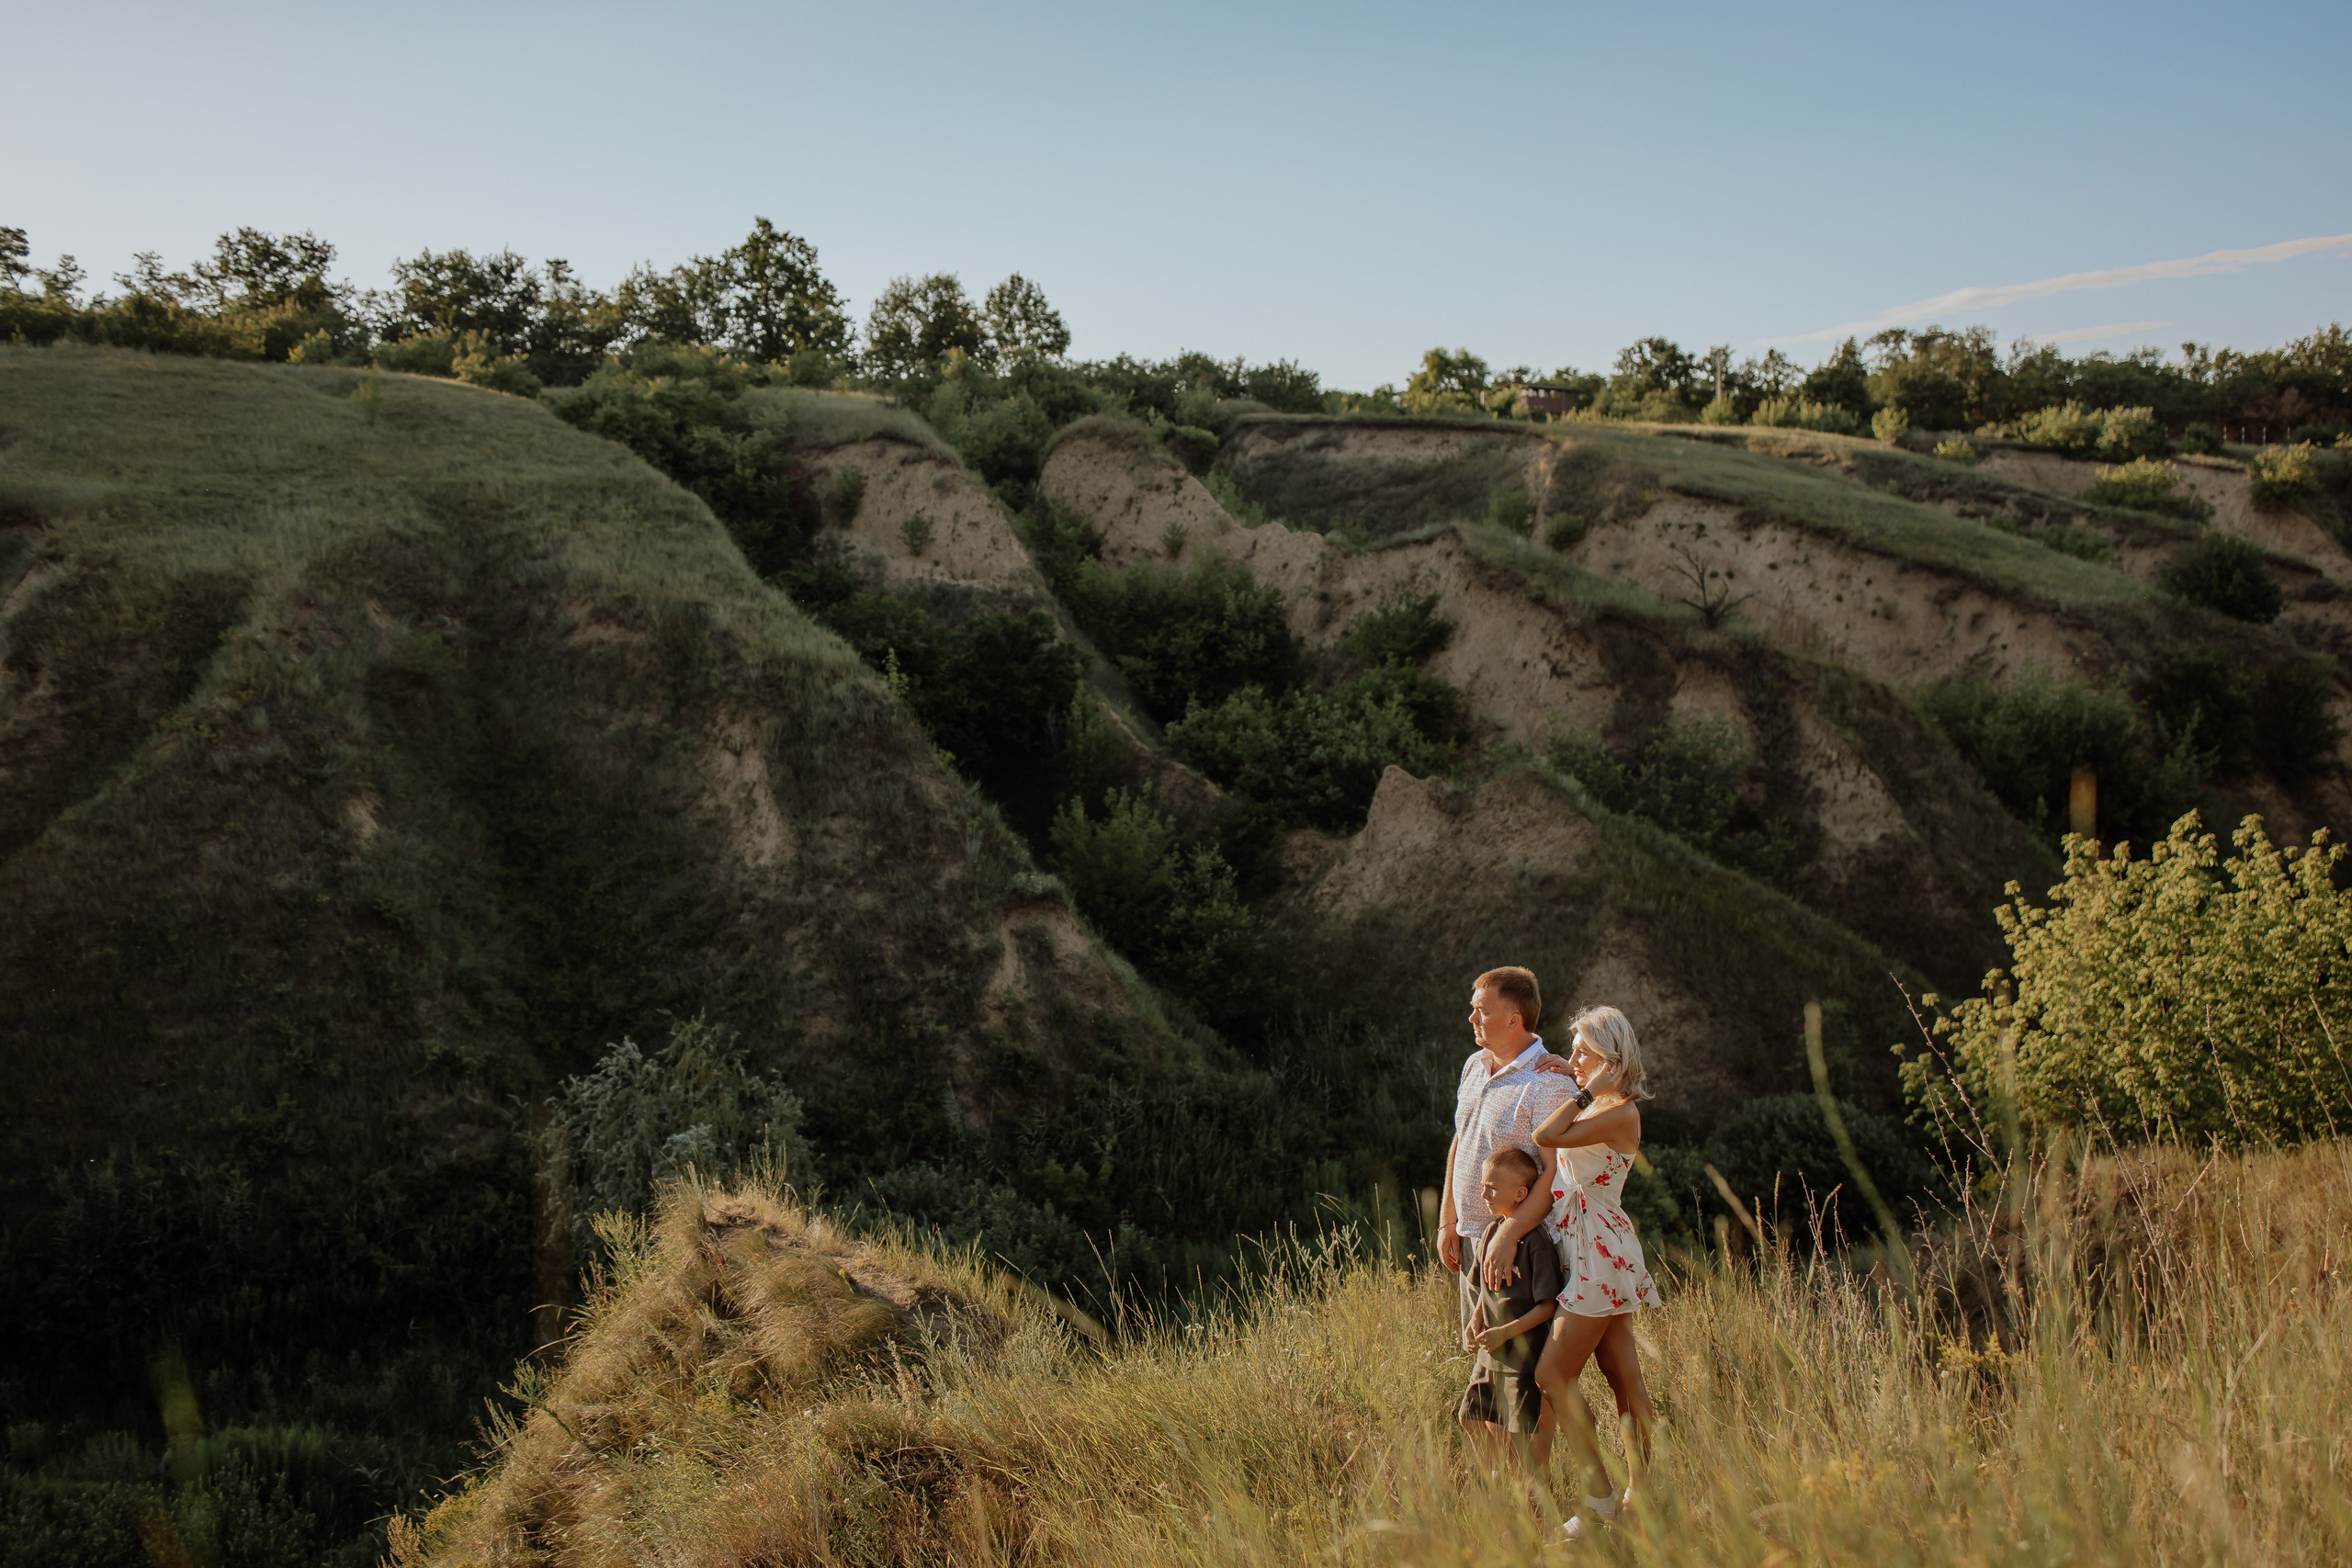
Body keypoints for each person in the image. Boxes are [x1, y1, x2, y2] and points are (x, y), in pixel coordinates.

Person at [1523, 1004, 1659, 1541]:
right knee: (1625, 1379)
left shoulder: (1620, 1110)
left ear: (1611, 1058)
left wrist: (1581, 1088)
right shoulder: (1604, 1101)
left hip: (1600, 1254)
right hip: (1591, 1248)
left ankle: (1602, 1499)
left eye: (1584, 1051)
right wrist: (1572, 1069)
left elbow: (1547, 1136)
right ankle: (1645, 1498)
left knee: (1552, 1374)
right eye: (1573, 1049)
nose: (1574, 1059)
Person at [1439, 967, 1579, 1466]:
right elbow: (1461, 1139)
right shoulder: (1474, 1066)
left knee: (1521, 1374)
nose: (1472, 1015)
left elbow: (1554, 1174)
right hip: (1474, 1239)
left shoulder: (1546, 1082)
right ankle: (1503, 1494)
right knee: (1487, 1366)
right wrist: (1448, 1221)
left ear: (1514, 1017)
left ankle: (1532, 1493)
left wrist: (1511, 1233)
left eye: (1482, 1008)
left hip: (1518, 1251)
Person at [1456, 1146, 1563, 1474]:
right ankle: (1497, 1486)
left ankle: (1525, 1504)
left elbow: (1548, 1307)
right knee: (1469, 1416)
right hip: (1490, 1356)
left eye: (1492, 1187)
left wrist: (1505, 1331)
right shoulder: (1491, 1233)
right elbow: (1484, 1288)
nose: (1484, 1193)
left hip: (1520, 1358)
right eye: (1484, 1185)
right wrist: (1475, 1319)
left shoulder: (1536, 1242)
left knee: (1521, 1442)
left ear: (1520, 1193)